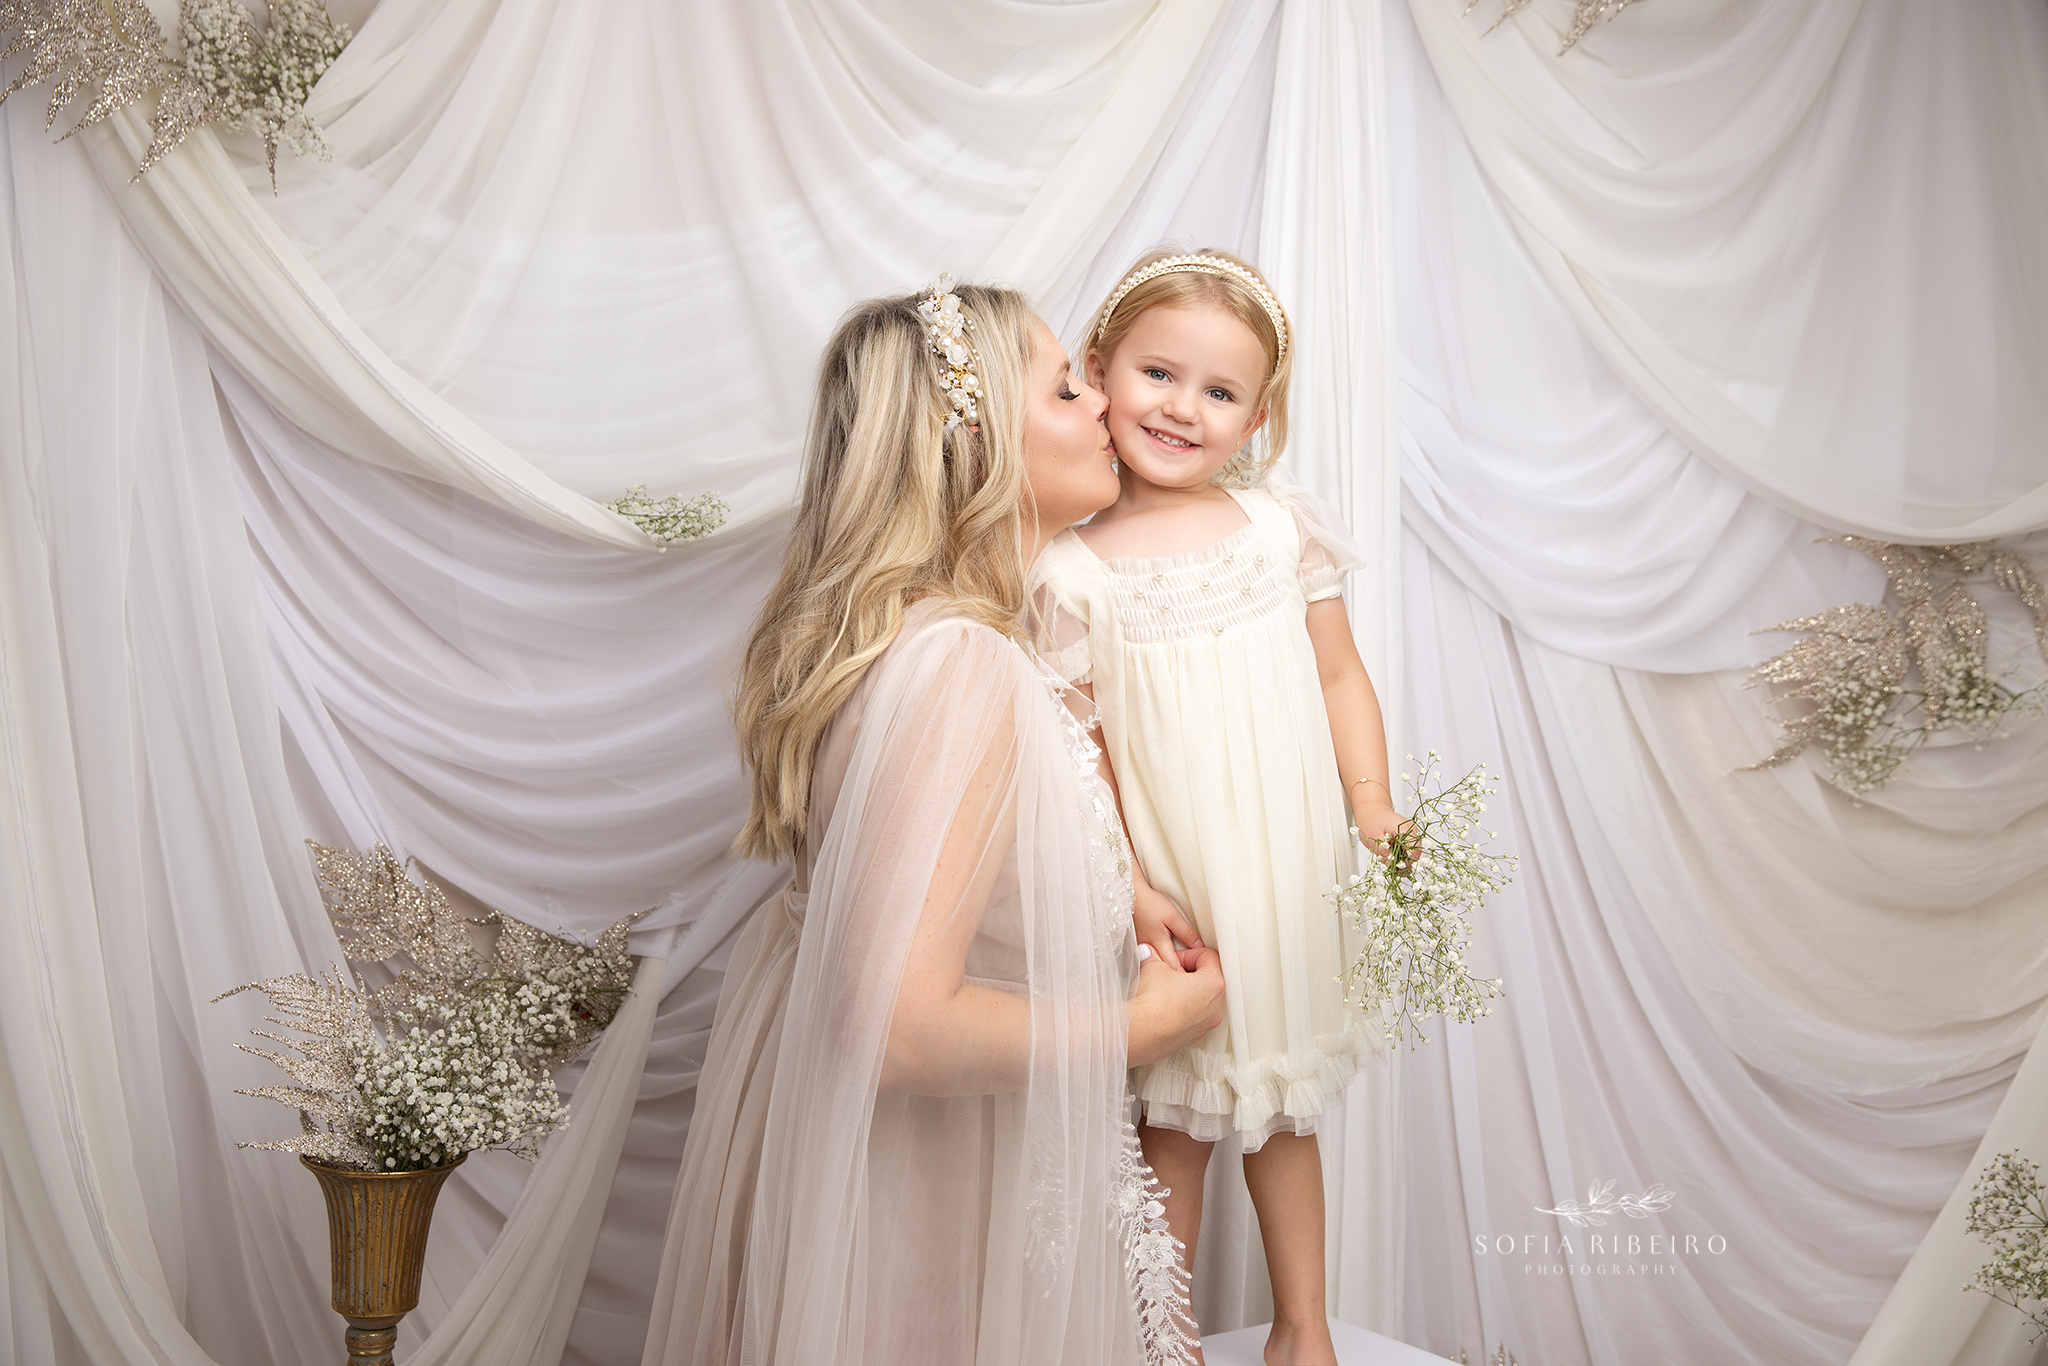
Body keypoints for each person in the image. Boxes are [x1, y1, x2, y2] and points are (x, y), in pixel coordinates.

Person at [641, 277, 1228, 1366]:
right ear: (973, 448)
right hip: (924, 1185)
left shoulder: (948, 648)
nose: (1104, 398)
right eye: (1064, 388)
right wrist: (1143, 1030)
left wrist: (1123, 886)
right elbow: (901, 1026)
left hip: (920, 1166)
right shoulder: (958, 666)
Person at [1030, 248, 1398, 1366]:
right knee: (1172, 1128)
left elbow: (1338, 674)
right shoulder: (1073, 570)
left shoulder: (1280, 531)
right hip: (1180, 893)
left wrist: (1373, 806)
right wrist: (1132, 887)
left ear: (1256, 418)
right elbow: (1080, 751)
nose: (1181, 408)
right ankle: (1162, 1344)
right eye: (1156, 373)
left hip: (1282, 876)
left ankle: (1303, 1329)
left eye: (1218, 391)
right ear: (1097, 372)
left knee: (1282, 1113)